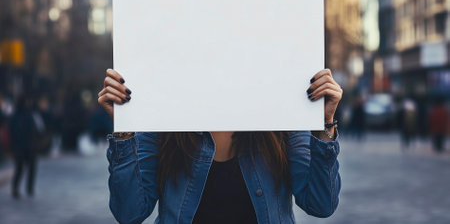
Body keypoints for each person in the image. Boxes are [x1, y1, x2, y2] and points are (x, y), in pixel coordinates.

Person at [99, 68, 342, 223]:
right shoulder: (164, 124)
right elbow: (130, 213)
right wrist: (123, 128)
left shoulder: (281, 122)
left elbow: (320, 205)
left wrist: (324, 123)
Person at [9, 96, 39, 198]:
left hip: (18, 146)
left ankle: (15, 187)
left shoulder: (14, 116)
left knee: (19, 168)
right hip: (29, 146)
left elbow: (10, 132)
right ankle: (29, 188)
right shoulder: (29, 115)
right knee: (31, 168)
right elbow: (35, 130)